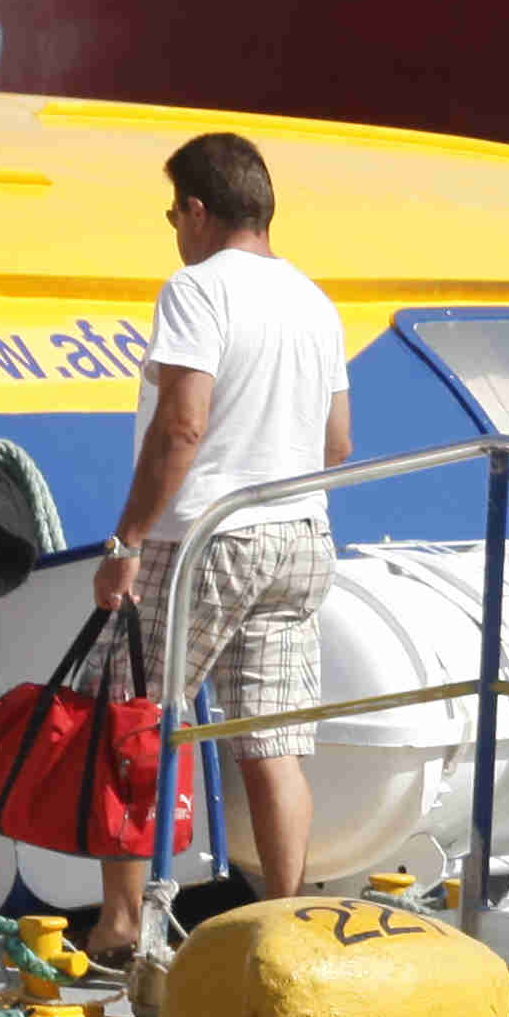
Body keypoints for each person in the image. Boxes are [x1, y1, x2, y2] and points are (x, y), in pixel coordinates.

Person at [90, 132, 351, 972]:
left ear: (198, 211)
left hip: (206, 536)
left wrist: (126, 540)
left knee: (131, 721)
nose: (174, 227)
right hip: (301, 534)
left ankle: (124, 927)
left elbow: (182, 426)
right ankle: (286, 929)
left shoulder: (196, 290)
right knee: (271, 742)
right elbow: (337, 442)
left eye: (174, 212)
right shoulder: (315, 299)